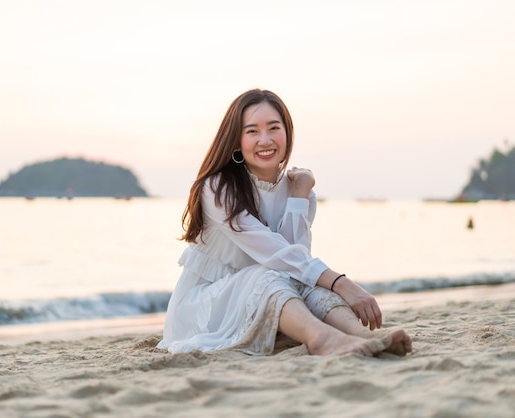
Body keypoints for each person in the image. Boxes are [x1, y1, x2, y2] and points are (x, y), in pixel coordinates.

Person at [157, 89, 412, 357]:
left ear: (287, 133)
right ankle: (322, 338)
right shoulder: (218, 188)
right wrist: (342, 283)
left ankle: (360, 336)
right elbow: (277, 254)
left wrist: (300, 193)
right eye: (252, 131)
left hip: (270, 295)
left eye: (273, 128)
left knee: (307, 280)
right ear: (236, 140)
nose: (264, 140)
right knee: (270, 275)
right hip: (207, 307)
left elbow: (296, 263)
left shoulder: (298, 190)